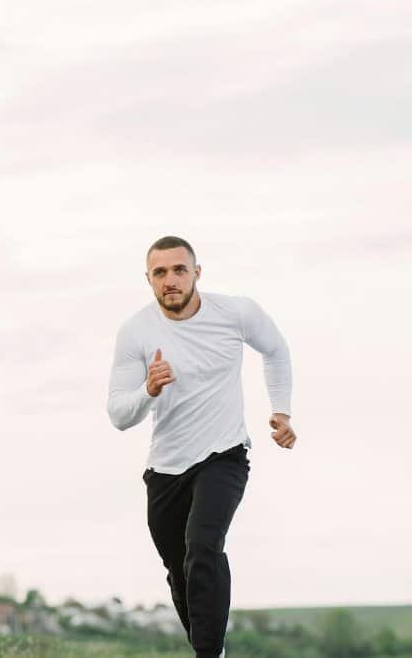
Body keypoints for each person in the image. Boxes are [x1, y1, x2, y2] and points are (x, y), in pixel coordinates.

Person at [106, 235, 296, 658]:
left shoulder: (235, 312)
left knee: (203, 548)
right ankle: (213, 649)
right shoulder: (135, 330)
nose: (170, 280)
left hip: (224, 454)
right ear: (148, 279)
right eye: (160, 273)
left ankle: (208, 654)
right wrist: (148, 390)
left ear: (196, 273)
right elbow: (119, 415)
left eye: (179, 270)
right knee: (180, 572)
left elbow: (276, 351)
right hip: (166, 468)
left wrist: (281, 412)